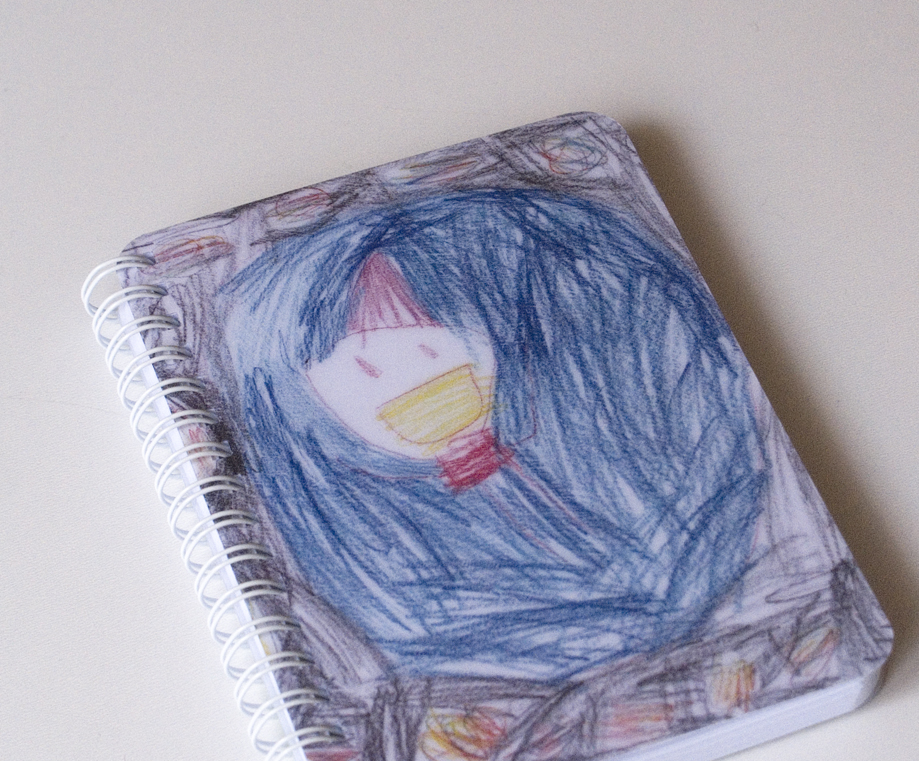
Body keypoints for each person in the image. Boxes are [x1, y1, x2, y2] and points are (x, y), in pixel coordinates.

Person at [220, 188, 766, 682]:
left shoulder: (603, 449)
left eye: (430, 345)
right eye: (365, 371)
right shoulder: (382, 543)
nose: (414, 378)